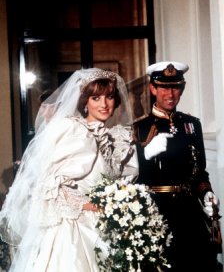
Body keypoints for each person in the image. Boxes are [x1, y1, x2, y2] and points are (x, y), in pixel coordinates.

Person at [0, 68, 139, 272]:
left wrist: (120, 203)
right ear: (85, 101)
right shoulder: (72, 130)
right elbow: (53, 186)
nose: (103, 104)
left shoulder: (119, 138)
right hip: (75, 226)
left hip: (110, 224)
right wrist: (93, 205)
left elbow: (124, 181)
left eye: (109, 97)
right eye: (96, 97)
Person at [134, 61, 220, 272]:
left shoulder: (192, 124)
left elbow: (200, 172)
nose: (170, 94)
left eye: (175, 87)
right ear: (153, 88)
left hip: (190, 212)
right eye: (164, 87)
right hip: (157, 213)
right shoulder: (139, 127)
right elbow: (134, 177)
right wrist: (146, 156)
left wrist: (207, 193)